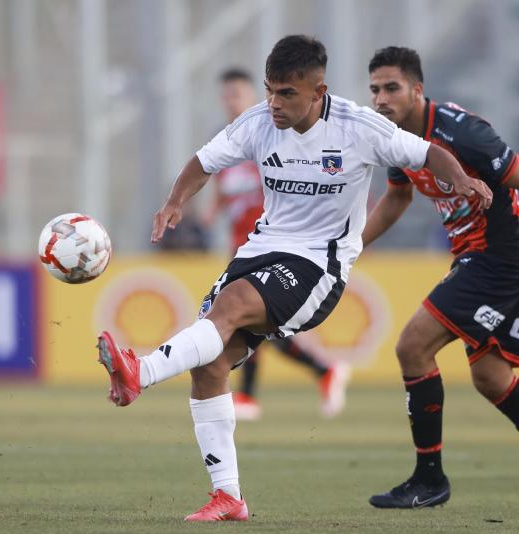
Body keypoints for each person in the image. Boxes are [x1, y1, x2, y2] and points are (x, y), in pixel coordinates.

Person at [95, 34, 492, 522]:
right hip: (260, 250)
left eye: (287, 93)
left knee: (232, 305)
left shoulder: (358, 126)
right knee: (210, 366)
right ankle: (228, 497)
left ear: (318, 91)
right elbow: (204, 162)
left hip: (319, 265)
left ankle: (142, 373)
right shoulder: (259, 123)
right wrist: (176, 200)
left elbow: (428, 154)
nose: (274, 104)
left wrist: (464, 181)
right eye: (269, 90)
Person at [364, 47, 519, 509]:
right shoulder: (395, 138)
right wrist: (350, 248)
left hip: (500, 256)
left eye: (392, 88)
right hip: (476, 258)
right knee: (492, 377)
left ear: (417, 89)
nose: (381, 99)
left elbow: (514, 174)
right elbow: (396, 198)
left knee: (413, 346)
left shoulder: (461, 131)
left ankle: (429, 479)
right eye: (375, 89)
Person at [206, 67, 350, 421]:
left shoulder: (270, 134)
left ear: (254, 94)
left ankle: (253, 394)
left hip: (274, 243)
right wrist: (210, 213)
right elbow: (221, 189)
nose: (231, 101)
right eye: (226, 95)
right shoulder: (225, 140)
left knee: (253, 320)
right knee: (251, 322)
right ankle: (319, 372)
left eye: (238, 93)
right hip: (241, 244)